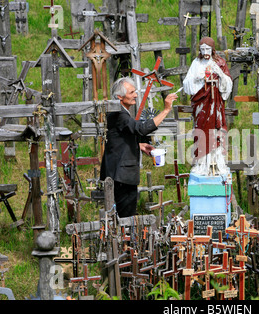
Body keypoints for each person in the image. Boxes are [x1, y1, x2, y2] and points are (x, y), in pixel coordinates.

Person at [100, 77, 178, 217]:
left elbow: (119, 138)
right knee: (126, 217)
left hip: (117, 173)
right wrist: (166, 110)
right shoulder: (119, 114)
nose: (135, 95)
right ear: (120, 96)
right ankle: (126, 239)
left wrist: (139, 145)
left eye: (135, 91)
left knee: (121, 215)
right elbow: (141, 129)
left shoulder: (119, 112)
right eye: (131, 92)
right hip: (121, 176)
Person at [183, 37, 233, 175]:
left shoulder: (220, 63)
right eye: (203, 49)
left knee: (216, 131)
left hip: (215, 104)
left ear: (212, 49)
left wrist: (220, 74)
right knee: (200, 131)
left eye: (208, 49)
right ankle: (201, 163)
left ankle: (217, 162)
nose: (205, 52)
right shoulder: (196, 63)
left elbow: (228, 83)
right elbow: (187, 83)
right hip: (201, 106)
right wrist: (198, 78)